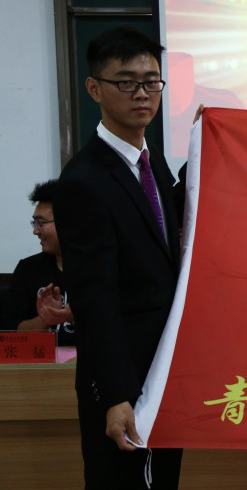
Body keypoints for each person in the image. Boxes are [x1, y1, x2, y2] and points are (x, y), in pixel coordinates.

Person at [55, 27, 184, 489]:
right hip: (124, 382)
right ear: (94, 89)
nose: (142, 93)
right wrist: (116, 395)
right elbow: (96, 299)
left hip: (162, 371)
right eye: (126, 82)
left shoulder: (152, 161)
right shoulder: (83, 181)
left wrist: (209, 144)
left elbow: (159, 233)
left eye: (151, 81)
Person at [0, 179, 75, 345]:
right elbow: (11, 332)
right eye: (34, 223)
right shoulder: (28, 269)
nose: (35, 231)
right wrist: (45, 319)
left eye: (41, 223)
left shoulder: (101, 268)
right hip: (43, 360)